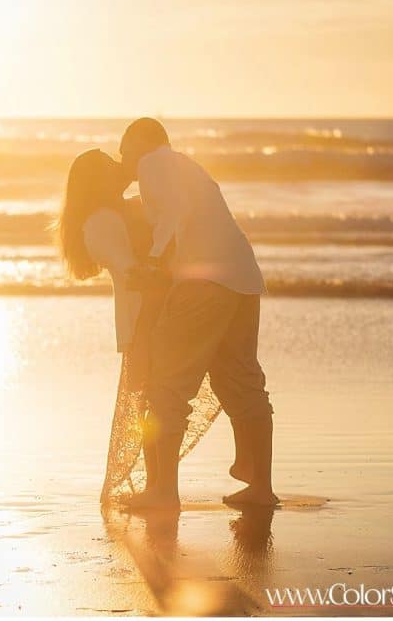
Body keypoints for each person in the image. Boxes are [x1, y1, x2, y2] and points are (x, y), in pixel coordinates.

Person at [117, 117, 278, 511]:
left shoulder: (152, 163)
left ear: (141, 143)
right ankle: (261, 487)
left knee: (166, 382)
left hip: (203, 282)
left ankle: (163, 493)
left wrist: (154, 262)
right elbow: (182, 213)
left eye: (124, 150)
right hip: (242, 277)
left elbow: (173, 213)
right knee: (241, 379)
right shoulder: (186, 165)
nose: (123, 161)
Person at [55, 149, 220, 504]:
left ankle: (159, 487)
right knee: (155, 402)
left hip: (151, 314)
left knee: (157, 400)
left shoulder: (120, 211)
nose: (120, 163)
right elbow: (132, 271)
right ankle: (160, 488)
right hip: (144, 317)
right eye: (109, 163)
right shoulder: (101, 221)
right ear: (97, 179)